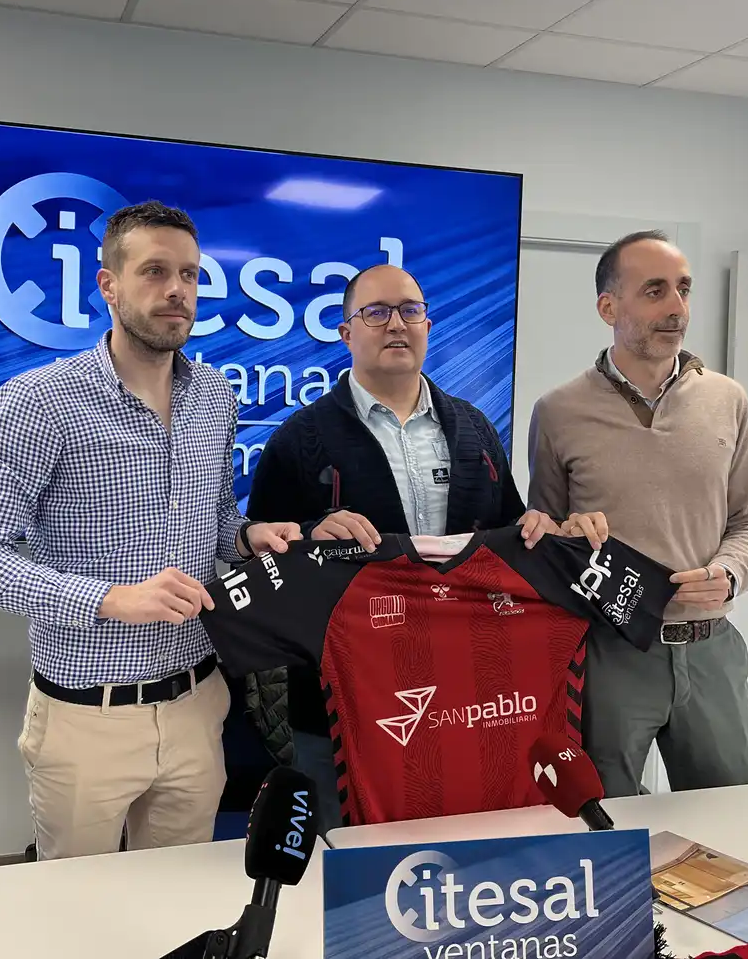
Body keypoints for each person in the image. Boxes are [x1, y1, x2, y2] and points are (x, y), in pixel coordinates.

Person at [0, 201, 300, 859]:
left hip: (199, 700)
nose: (177, 291)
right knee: (78, 908)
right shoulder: (41, 401)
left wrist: (246, 537)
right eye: (155, 271)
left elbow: (216, 517)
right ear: (108, 285)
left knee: (178, 897)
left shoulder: (215, 396)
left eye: (190, 275)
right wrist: (110, 599)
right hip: (87, 719)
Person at [245, 262, 606, 831]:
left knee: (458, 858)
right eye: (376, 312)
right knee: (346, 870)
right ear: (345, 332)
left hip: (467, 703)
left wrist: (545, 531)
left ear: (428, 326)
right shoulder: (299, 439)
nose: (396, 324)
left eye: (410, 311)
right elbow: (262, 560)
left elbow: (509, 538)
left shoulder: (474, 428)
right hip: (346, 710)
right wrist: (310, 538)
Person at [528, 230, 748, 798]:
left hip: (711, 649)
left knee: (731, 819)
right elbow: (541, 540)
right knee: (603, 820)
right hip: (608, 654)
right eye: (655, 291)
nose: (677, 308)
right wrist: (565, 533)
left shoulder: (728, 400)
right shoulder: (558, 412)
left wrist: (731, 572)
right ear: (608, 307)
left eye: (683, 289)